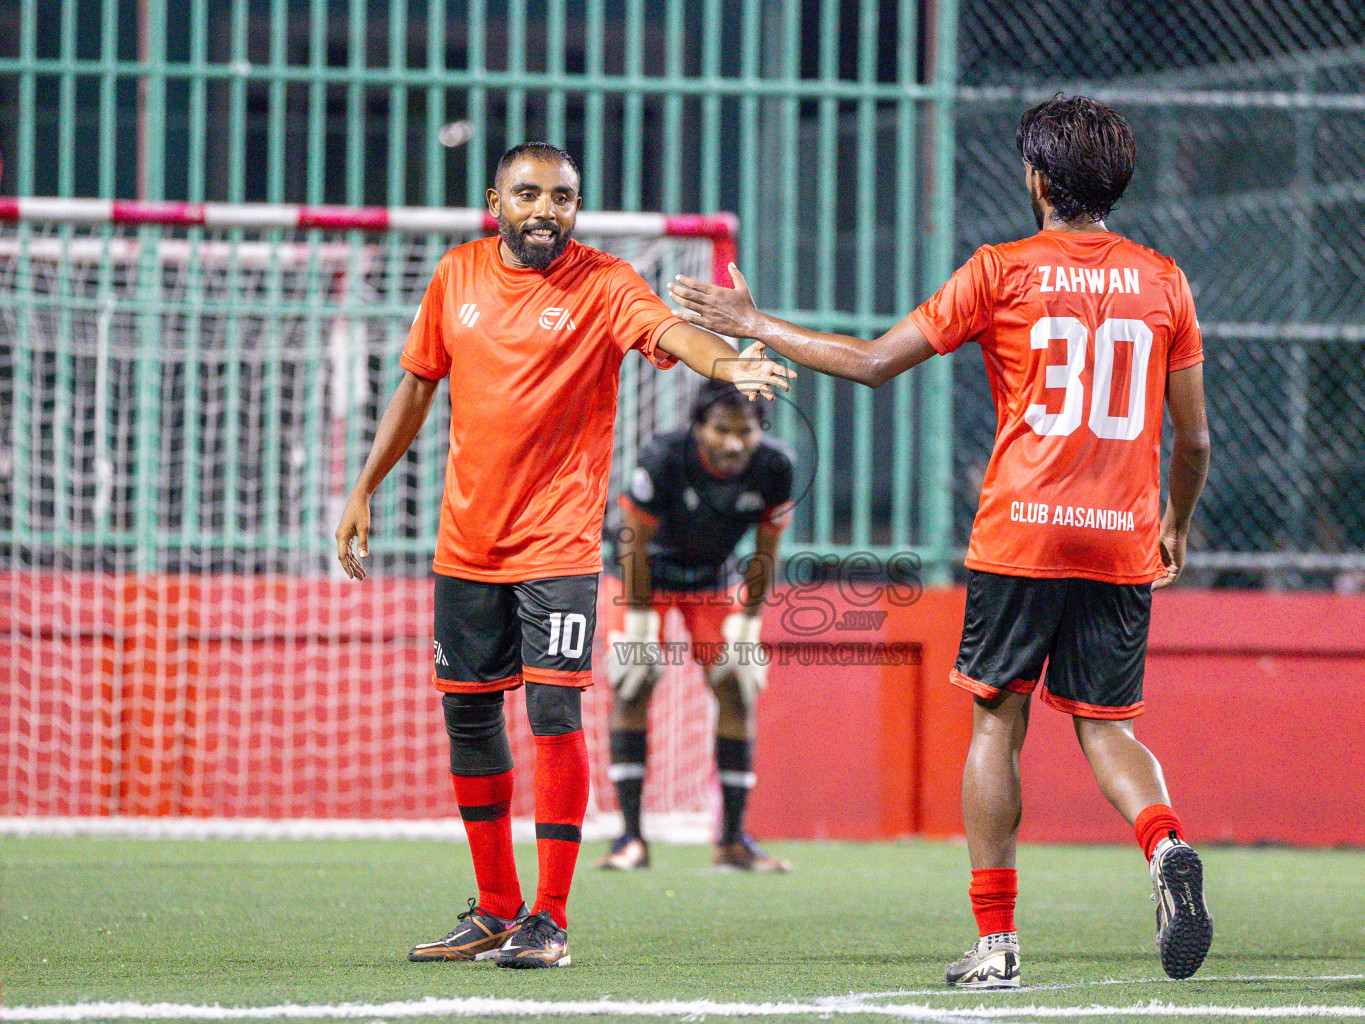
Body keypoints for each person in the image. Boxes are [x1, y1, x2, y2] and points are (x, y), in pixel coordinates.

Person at [669, 95, 1213, 988]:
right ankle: (1165, 848)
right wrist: (1175, 524)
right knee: (1108, 726)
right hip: (1122, 543)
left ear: (1036, 177)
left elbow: (875, 361)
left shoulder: (1000, 271)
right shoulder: (1164, 280)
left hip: (1022, 535)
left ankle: (997, 944)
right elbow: (1192, 440)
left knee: (998, 723)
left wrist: (754, 325)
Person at [334, 142, 791, 970]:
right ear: (494, 199)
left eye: (563, 196)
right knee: (469, 719)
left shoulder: (605, 283)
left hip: (559, 546)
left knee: (552, 717)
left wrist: (734, 361)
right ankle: (496, 908)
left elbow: (671, 331)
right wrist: (364, 486)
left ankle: (550, 917)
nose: (546, 209)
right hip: (466, 547)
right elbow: (416, 383)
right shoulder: (456, 276)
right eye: (529, 193)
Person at [601, 379, 795, 873]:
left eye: (745, 431)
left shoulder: (776, 467)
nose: (733, 443)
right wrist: (641, 622)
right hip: (645, 574)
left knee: (736, 686)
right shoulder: (664, 457)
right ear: (699, 428)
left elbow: (766, 551)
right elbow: (632, 541)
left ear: (760, 431)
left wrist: (749, 625)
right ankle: (630, 839)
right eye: (722, 430)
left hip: (712, 578)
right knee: (633, 682)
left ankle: (731, 842)